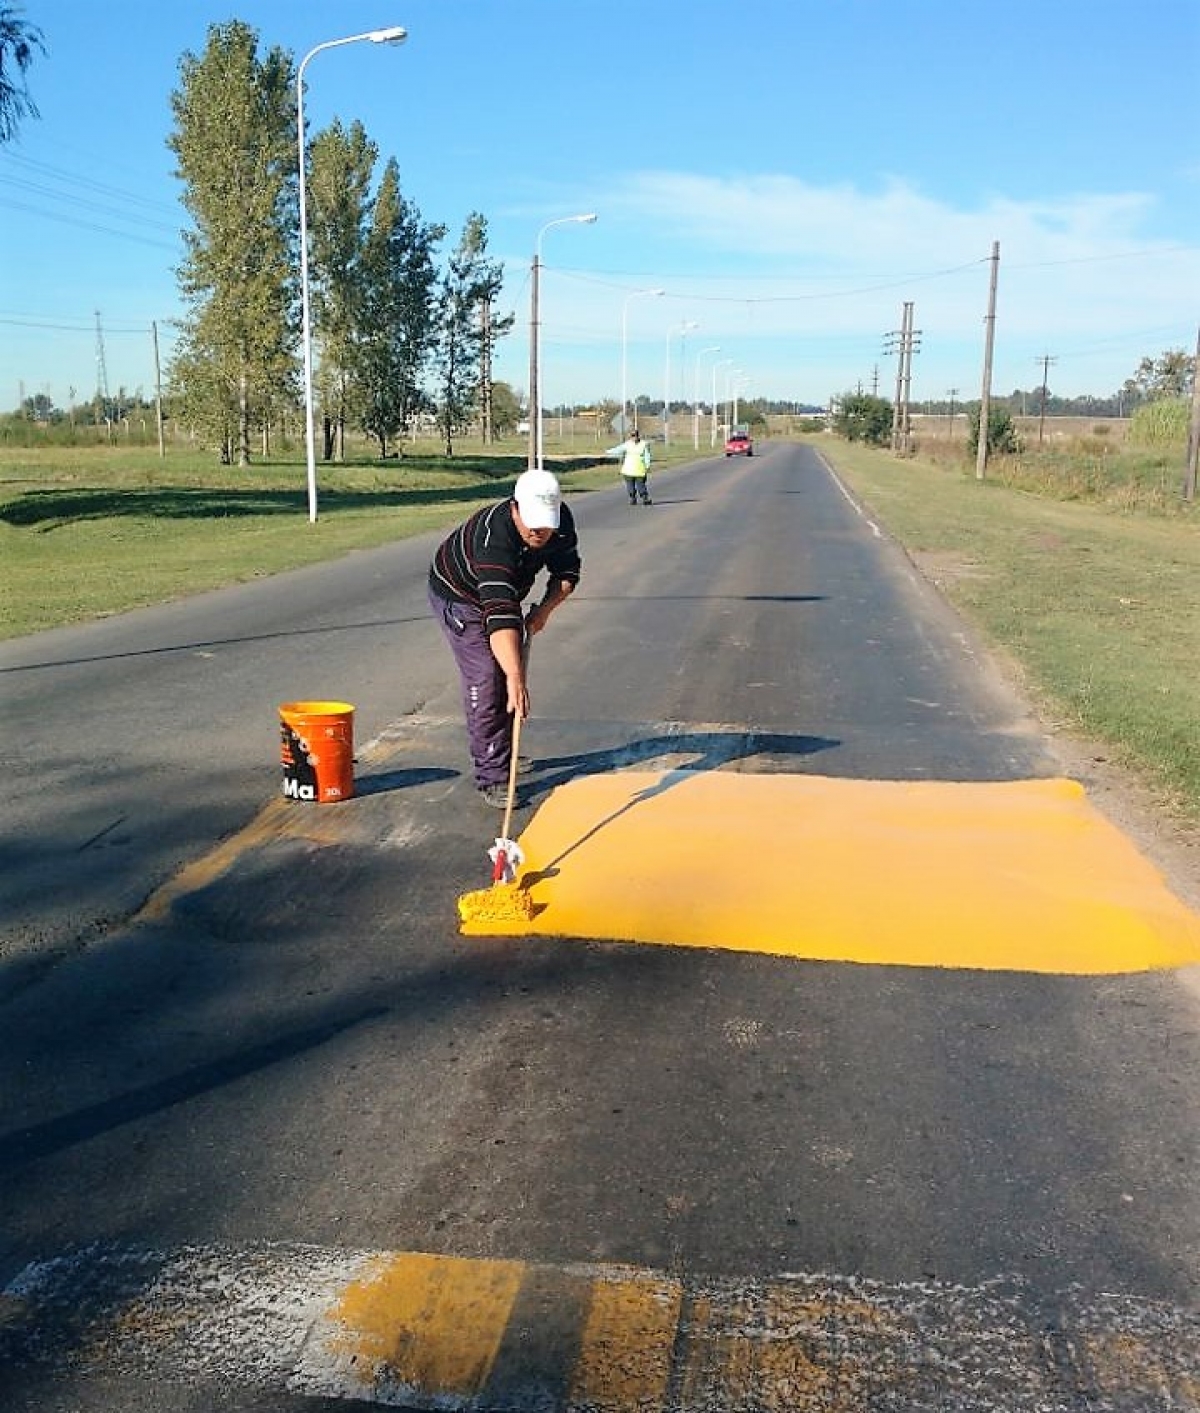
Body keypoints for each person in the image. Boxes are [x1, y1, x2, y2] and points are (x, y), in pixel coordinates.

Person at [428, 468, 581, 808]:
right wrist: (514, 677)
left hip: (506, 594)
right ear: (514, 508)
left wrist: (543, 611)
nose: (539, 532)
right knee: (489, 680)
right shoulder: (492, 539)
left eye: (546, 524)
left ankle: (504, 753)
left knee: (507, 676)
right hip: (460, 596)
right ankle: (493, 776)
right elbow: (498, 615)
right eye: (531, 524)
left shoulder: (560, 522)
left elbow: (567, 573)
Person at [608, 427, 652, 505]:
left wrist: (647, 465)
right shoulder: (627, 444)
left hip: (639, 469)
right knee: (630, 486)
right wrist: (608, 452)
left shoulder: (644, 444)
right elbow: (618, 449)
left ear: (638, 436)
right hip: (628, 470)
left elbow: (647, 456)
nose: (634, 437)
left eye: (635, 435)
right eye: (632, 435)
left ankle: (644, 497)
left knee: (640, 485)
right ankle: (632, 498)